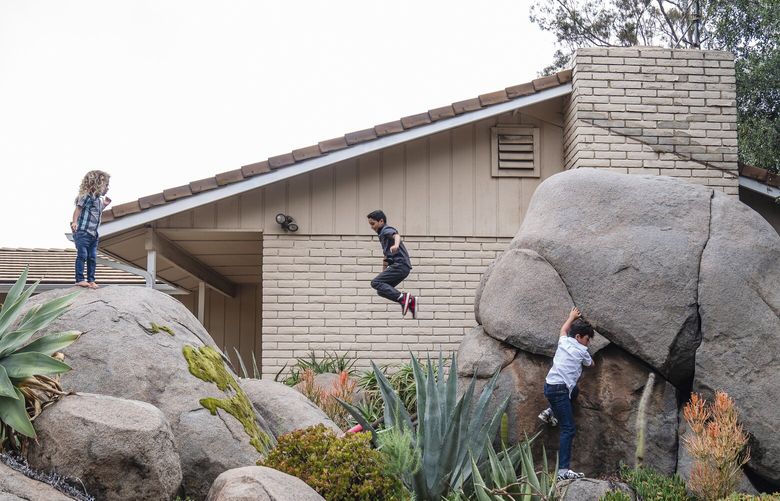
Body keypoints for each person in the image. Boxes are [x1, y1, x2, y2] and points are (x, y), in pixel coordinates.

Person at [538, 306, 595, 481]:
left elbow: (563, 329)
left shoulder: (564, 342)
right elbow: (590, 365)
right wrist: (589, 358)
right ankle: (563, 471)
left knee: (574, 391)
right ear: (578, 337)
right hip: (560, 391)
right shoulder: (582, 351)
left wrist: (571, 317)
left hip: (549, 386)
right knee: (568, 429)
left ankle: (549, 412)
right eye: (587, 339)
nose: (588, 343)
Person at [366, 210, 417, 318]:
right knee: (381, 290)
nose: (372, 227)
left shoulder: (385, 230)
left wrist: (396, 245)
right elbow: (386, 256)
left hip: (400, 265)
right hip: (402, 268)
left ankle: (403, 298)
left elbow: (396, 236)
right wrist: (384, 272)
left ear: (381, 221)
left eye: (373, 224)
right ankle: (410, 301)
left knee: (375, 283)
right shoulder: (382, 235)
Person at [70, 170, 111, 289]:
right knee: (82, 255)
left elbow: (95, 213)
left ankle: (91, 280)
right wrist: (74, 222)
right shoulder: (86, 196)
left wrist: (104, 205)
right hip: (83, 232)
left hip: (94, 234)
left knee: (92, 257)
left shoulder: (98, 201)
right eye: (106, 185)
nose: (107, 188)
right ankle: (80, 279)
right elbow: (78, 209)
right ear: (97, 183)